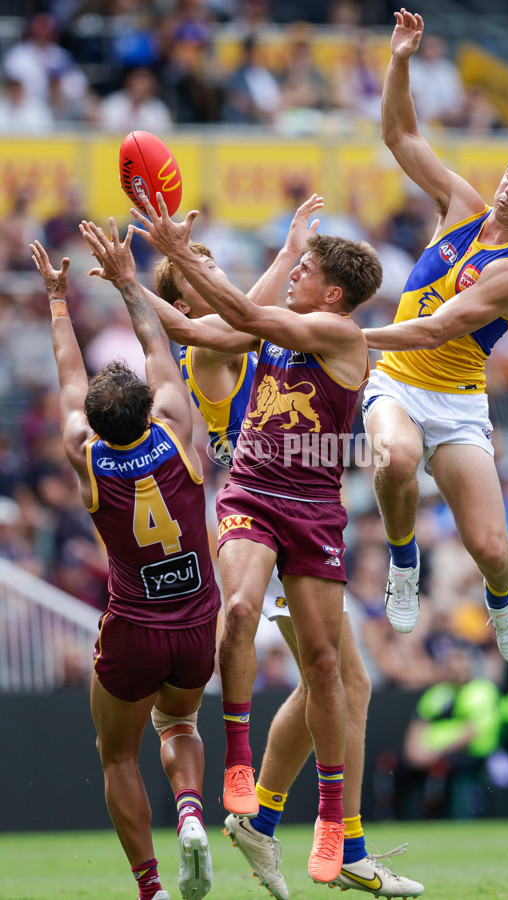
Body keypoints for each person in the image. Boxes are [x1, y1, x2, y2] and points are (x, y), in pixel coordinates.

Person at [89, 196, 423, 897]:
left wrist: (161, 266)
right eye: (207, 265)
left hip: (309, 502)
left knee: (331, 673)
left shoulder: (301, 327)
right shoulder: (240, 334)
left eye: (304, 267)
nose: (288, 270)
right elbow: (213, 317)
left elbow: (237, 310)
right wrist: (138, 272)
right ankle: (280, 806)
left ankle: (309, 824)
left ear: (327, 292)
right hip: (250, 490)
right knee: (270, 635)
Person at [361, 10, 508, 665]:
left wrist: (344, 337)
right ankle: (405, 566)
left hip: (457, 404)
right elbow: (400, 134)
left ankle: (504, 604)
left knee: (492, 549)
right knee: (394, 459)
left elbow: (440, 328)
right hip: (396, 384)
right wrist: (399, 59)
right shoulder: (461, 205)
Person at [30, 225, 222, 900]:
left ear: (95, 417)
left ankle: (151, 889)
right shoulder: (176, 430)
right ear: (147, 406)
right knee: (181, 724)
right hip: (199, 623)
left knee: (115, 754)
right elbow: (156, 343)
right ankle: (193, 814)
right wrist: (125, 277)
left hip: (133, 629)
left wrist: (59, 301)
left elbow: (68, 374)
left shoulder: (87, 455)